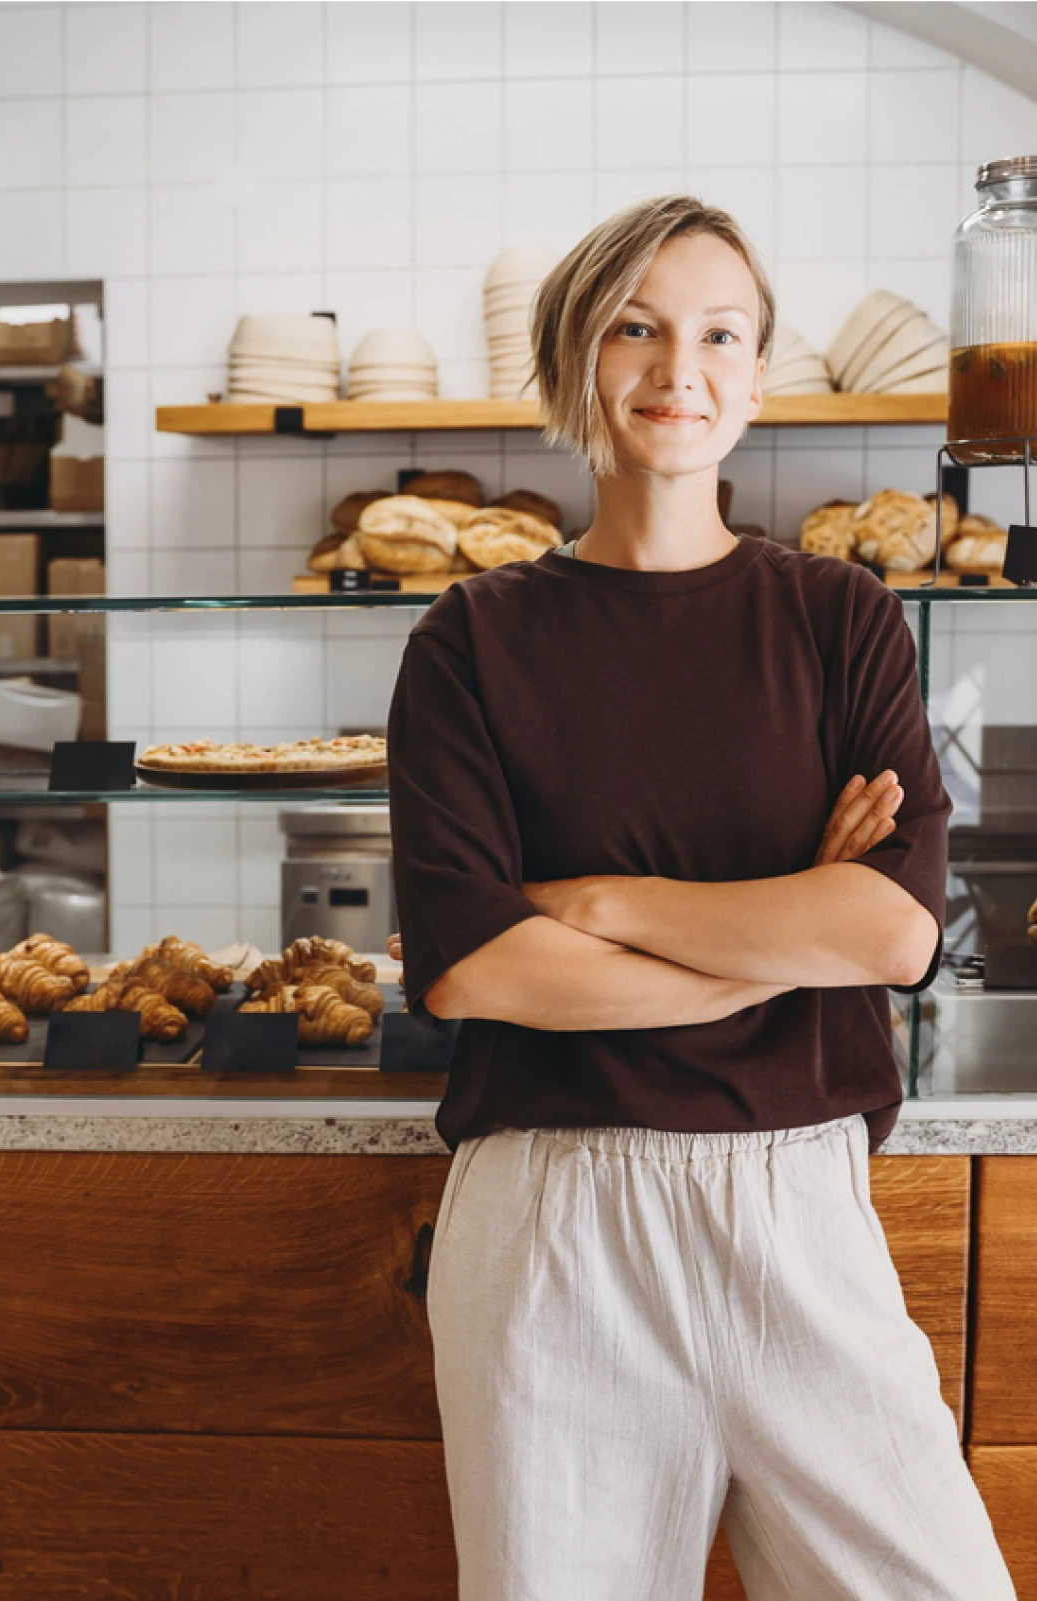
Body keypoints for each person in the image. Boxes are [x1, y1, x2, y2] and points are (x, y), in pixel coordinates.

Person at [384, 196, 1016, 1600]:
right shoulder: (471, 637)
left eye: (719, 332)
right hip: (555, 1221)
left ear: (758, 368)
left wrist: (600, 902)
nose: (681, 366)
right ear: (572, 358)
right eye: (635, 326)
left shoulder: (840, 616)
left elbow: (891, 933)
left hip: (799, 1203)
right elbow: (478, 970)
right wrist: (784, 929)